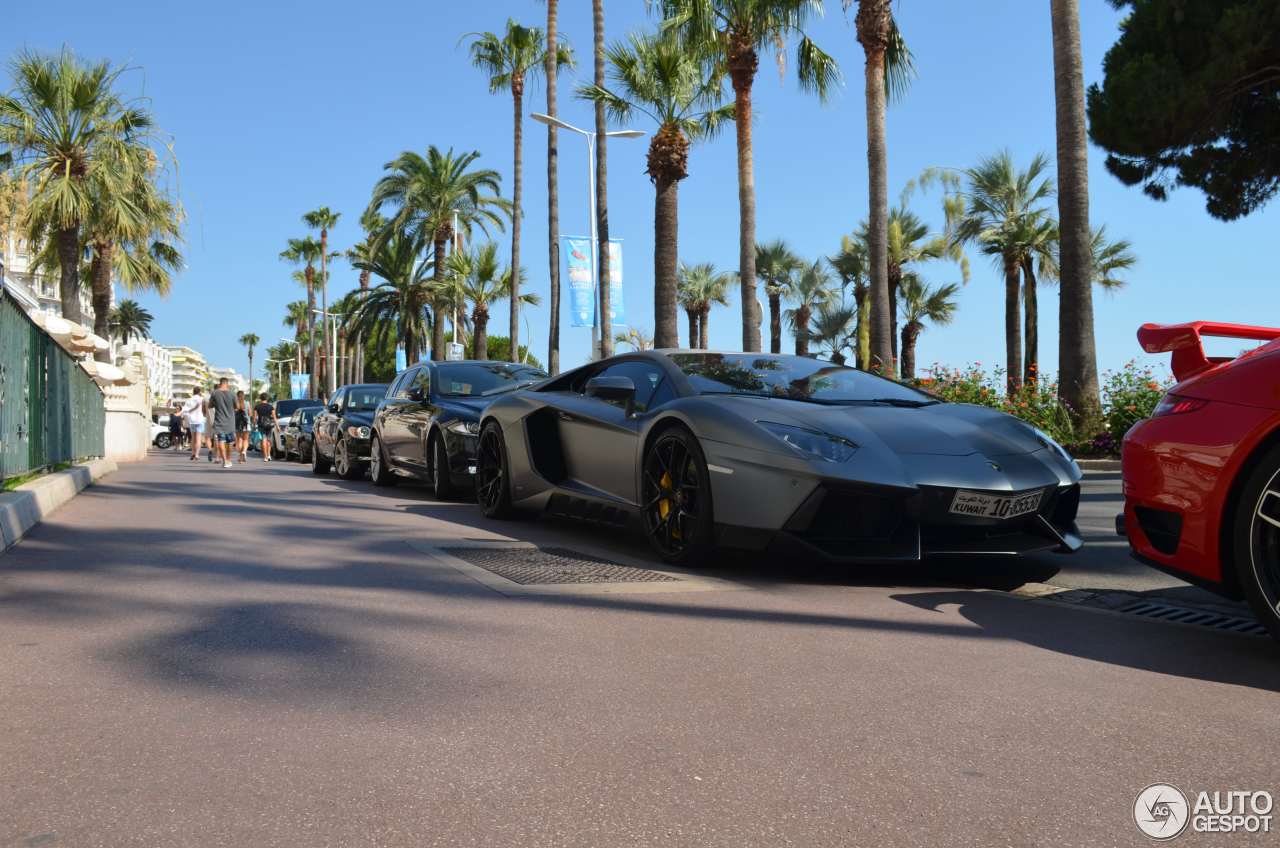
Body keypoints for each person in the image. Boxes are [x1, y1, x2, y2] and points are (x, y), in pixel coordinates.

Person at [208, 378, 237, 469]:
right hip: (230, 422)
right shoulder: (232, 393)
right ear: (227, 384)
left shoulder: (214, 393)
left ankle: (224, 461)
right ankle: (228, 459)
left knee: (221, 440)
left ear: (220, 383)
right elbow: (237, 407)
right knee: (230, 442)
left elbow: (210, 405)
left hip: (219, 421)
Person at [180, 388, 206, 461]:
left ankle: (193, 453)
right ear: (199, 392)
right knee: (198, 439)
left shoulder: (189, 400)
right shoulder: (201, 399)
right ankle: (197, 455)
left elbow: (184, 410)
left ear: (193, 392)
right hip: (200, 420)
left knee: (193, 438)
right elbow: (204, 409)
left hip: (192, 421)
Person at [253, 393, 277, 463]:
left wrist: (254, 425)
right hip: (269, 425)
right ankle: (269, 455)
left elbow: (254, 418)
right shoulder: (270, 407)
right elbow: (274, 417)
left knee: (263, 440)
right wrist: (277, 426)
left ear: (260, 398)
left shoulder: (257, 407)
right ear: (267, 398)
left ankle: (265, 457)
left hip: (261, 425)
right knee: (269, 440)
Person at [234, 391, 251, 463]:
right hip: (246, 423)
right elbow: (250, 414)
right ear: (243, 396)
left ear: (237, 396)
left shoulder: (235, 404)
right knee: (246, 440)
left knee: (239, 440)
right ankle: (244, 451)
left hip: (237, 424)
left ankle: (240, 456)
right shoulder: (247, 403)